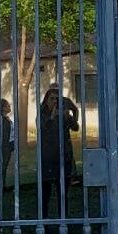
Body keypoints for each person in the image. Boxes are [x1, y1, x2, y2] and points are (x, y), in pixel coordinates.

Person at [38, 84, 78, 219]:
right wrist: (51, 118)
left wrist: (70, 118)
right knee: (45, 193)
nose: (54, 102)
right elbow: (41, 128)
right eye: (52, 99)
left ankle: (63, 219)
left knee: (63, 193)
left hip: (63, 157)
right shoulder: (42, 112)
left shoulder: (63, 112)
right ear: (46, 100)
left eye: (57, 99)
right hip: (47, 159)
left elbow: (76, 128)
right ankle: (44, 220)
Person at [0, 98, 13, 188]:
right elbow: (5, 135)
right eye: (8, 106)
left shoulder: (6, 119)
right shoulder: (3, 120)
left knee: (4, 167)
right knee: (3, 167)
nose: (9, 107)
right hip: (5, 147)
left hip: (7, 147)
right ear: (3, 108)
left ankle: (3, 185)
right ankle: (2, 186)